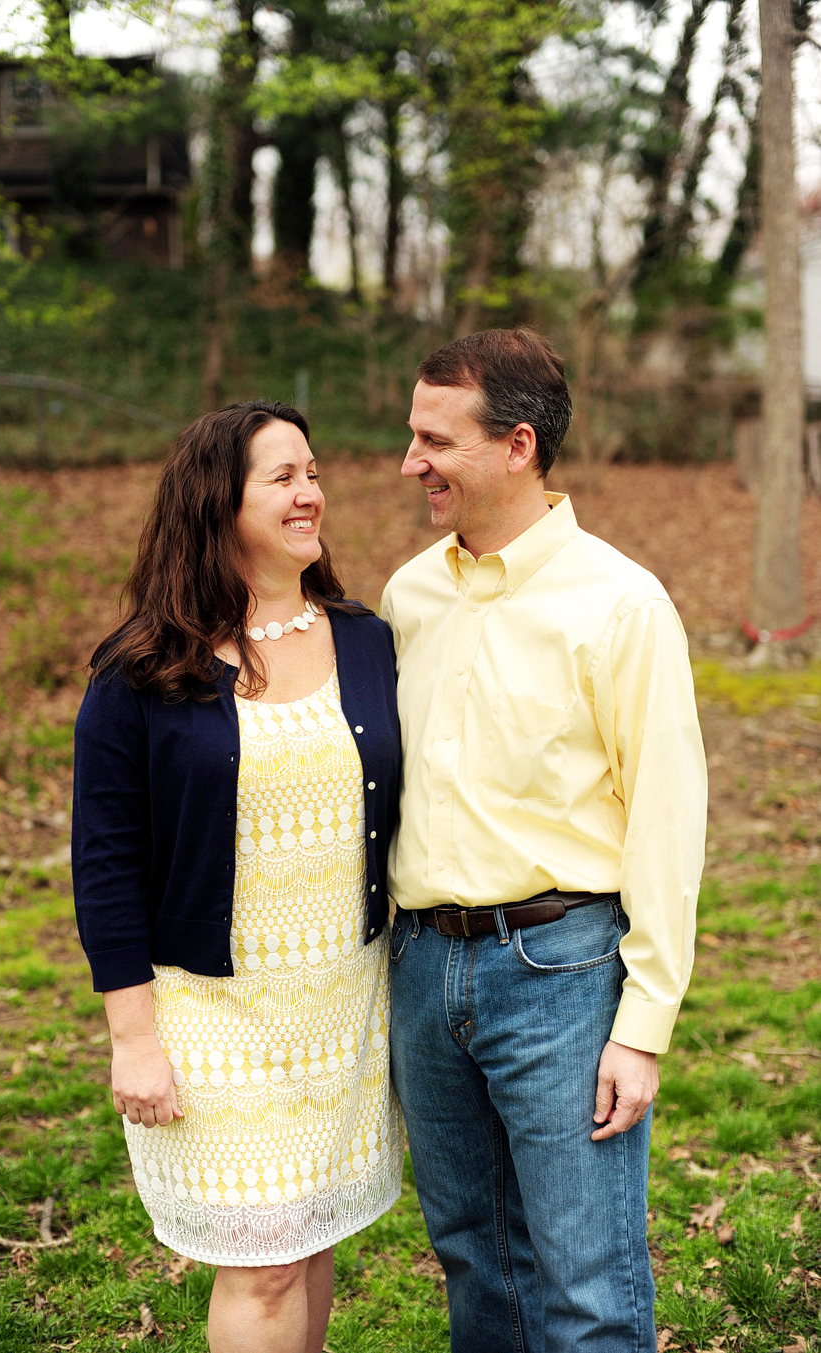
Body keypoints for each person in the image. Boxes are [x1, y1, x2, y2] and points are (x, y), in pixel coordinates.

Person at [379, 327, 707, 1353]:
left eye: (436, 439)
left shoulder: (619, 603)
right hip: (424, 973)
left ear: (517, 445)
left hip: (561, 972)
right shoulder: (407, 597)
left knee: (585, 1287)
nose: (409, 463)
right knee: (477, 1265)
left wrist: (642, 1024)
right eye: (409, 434)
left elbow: (667, 814)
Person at [72, 400, 403, 1353]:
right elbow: (104, 861)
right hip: (208, 1011)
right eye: (284, 477)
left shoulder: (367, 641)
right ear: (219, 501)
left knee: (304, 1236)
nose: (312, 493)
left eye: (313, 471)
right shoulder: (141, 669)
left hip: (342, 997)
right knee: (260, 1263)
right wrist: (130, 1036)